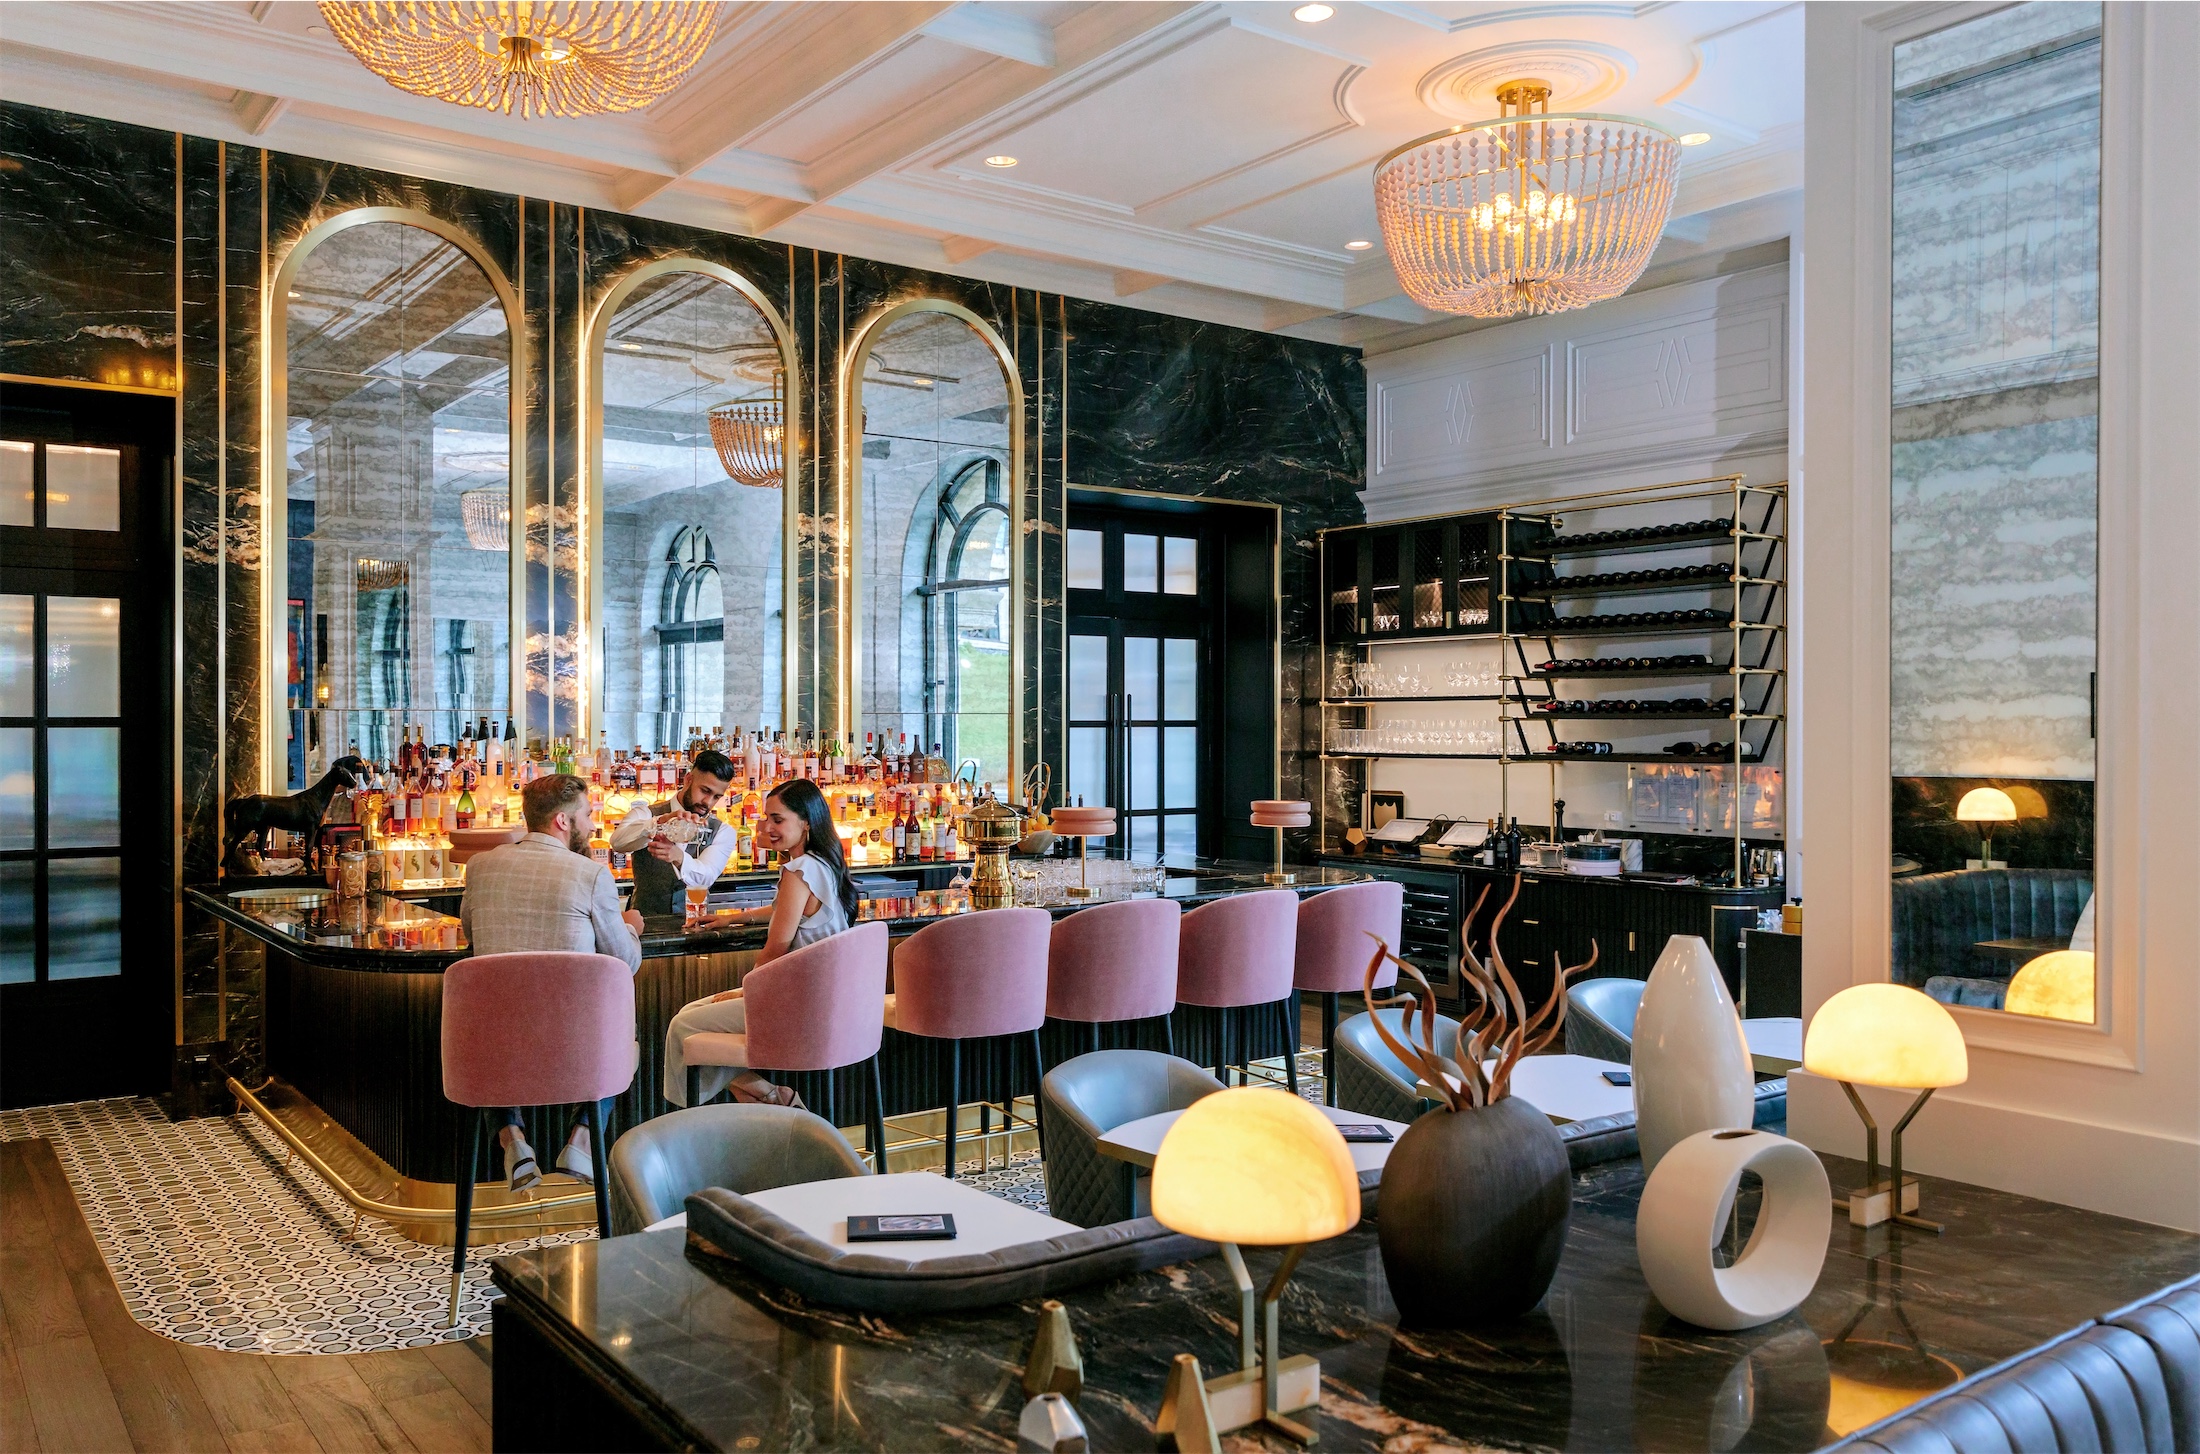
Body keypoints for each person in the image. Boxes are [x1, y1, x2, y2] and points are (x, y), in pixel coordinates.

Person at [459, 773, 644, 1191]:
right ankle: (580, 1141)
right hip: (573, 1049)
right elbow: (624, 962)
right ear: (563, 821)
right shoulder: (590, 875)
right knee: (624, 1031)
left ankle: (513, 1139)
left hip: (490, 1051)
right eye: (587, 814)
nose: (593, 825)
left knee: (492, 1022)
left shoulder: (481, 866)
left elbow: (473, 937)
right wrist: (631, 926)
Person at [662, 778, 858, 1108]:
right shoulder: (824, 863)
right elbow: (788, 912)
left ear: (806, 822)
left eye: (777, 819)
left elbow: (776, 949)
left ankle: (689, 1120)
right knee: (690, 1014)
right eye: (767, 818)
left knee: (682, 1026)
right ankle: (769, 1096)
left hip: (800, 1006)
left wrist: (746, 990)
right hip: (828, 999)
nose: (768, 826)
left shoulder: (798, 870)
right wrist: (731, 918)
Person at [621, 748, 737, 918]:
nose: (708, 802)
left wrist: (678, 857)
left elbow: (705, 877)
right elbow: (618, 843)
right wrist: (659, 822)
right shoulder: (646, 814)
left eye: (716, 797)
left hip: (696, 930)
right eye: (705, 791)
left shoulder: (723, 831)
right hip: (645, 928)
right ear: (688, 779)